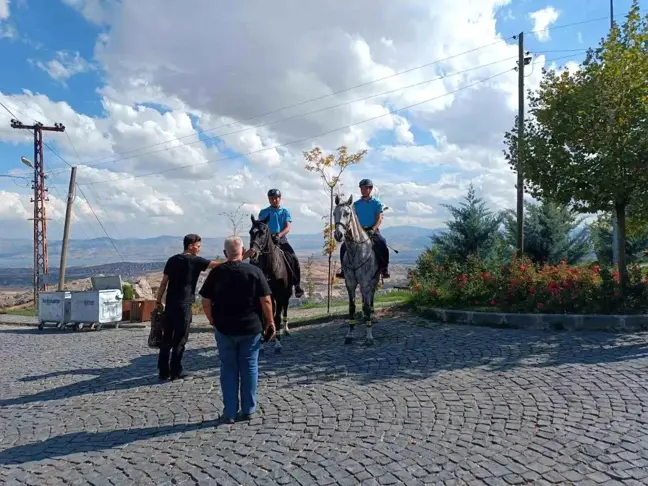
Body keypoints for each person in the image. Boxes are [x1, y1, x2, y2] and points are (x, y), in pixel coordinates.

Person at [199, 235, 276, 424]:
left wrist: (211, 319)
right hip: (250, 328)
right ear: (242, 251)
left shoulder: (216, 273)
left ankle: (230, 412)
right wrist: (270, 322)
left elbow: (205, 301)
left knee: (228, 369)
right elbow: (266, 300)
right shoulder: (254, 271)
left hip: (224, 328)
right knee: (249, 367)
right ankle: (249, 409)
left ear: (226, 253)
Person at [155, 234, 221, 380]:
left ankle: (163, 370)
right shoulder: (195, 261)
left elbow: (164, 282)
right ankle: (176, 370)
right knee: (180, 339)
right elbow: (217, 265)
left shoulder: (172, 260)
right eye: (198, 246)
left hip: (170, 303)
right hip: (184, 304)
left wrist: (158, 300)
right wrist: (239, 257)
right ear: (191, 246)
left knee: (167, 338)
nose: (199, 249)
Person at [336, 178, 390, 279]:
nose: (362, 190)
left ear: (370, 189)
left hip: (372, 229)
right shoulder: (356, 204)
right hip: (358, 231)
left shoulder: (376, 203)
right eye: (361, 188)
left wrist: (373, 229)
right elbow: (352, 220)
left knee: (382, 242)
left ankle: (384, 269)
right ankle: (343, 269)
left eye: (365, 188)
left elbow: (379, 218)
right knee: (344, 246)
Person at [258, 189, 305, 298]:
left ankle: (297, 285)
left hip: (281, 239)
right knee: (254, 259)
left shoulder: (285, 212)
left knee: (294, 258)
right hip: (266, 240)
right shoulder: (263, 212)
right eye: (271, 198)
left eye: (276, 198)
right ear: (268, 199)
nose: (274, 200)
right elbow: (260, 226)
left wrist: (279, 235)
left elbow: (288, 227)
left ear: (280, 198)